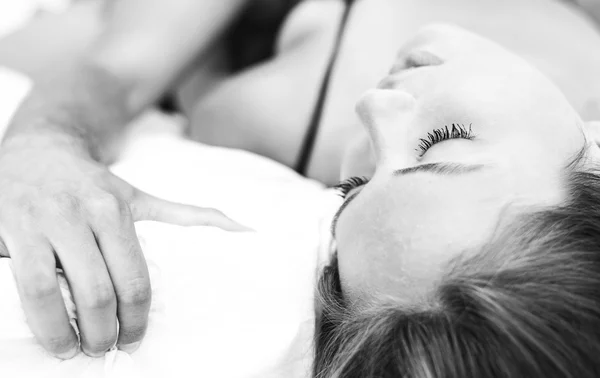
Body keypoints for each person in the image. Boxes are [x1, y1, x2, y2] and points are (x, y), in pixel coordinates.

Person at [2, 0, 600, 374]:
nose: (374, 108)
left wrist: (44, 143)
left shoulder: (282, 115)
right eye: (446, 140)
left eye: (355, 189)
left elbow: (121, 63)